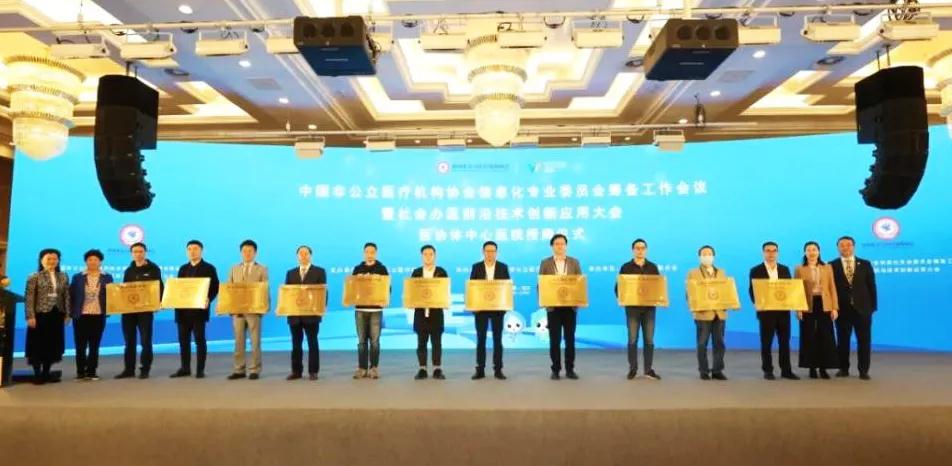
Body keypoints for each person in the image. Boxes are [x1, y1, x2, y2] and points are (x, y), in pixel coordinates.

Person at [747, 242, 799, 380]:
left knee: (785, 342)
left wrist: (792, 302)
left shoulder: (784, 269)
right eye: (768, 251)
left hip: (783, 312)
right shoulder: (755, 270)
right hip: (766, 312)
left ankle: (786, 370)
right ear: (763, 253)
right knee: (766, 342)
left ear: (777, 253)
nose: (771, 253)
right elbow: (752, 290)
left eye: (774, 250)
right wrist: (759, 303)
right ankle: (768, 370)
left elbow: (789, 289)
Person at [830, 236, 877, 380]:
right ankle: (843, 368)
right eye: (842, 245)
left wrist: (872, 307)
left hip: (863, 310)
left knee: (864, 341)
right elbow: (830, 288)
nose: (845, 247)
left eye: (848, 245)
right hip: (842, 310)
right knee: (842, 341)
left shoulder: (865, 264)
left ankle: (863, 370)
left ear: (854, 247)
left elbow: (871, 286)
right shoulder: (831, 265)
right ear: (838, 248)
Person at [170, 240, 220, 379]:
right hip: (182, 311)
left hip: (199, 311)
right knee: (183, 341)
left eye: (195, 249)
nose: (192, 251)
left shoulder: (209, 268)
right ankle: (185, 368)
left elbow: (215, 287)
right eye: (189, 249)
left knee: (199, 340)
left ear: (201, 251)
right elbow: (179, 289)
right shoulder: (183, 268)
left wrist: (209, 298)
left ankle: (200, 369)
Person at [615, 238, 662, 380]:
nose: (640, 250)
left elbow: (658, 287)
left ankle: (648, 369)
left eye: (643, 248)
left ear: (646, 250)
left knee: (649, 340)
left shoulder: (652, 267)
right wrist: (622, 298)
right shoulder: (626, 267)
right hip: (632, 309)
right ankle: (633, 369)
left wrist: (661, 298)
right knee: (632, 340)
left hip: (649, 309)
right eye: (637, 248)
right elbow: (618, 287)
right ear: (633, 250)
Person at [116, 242, 163, 379]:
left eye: (140, 251)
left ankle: (145, 369)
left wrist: (158, 303)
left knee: (145, 341)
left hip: (145, 310)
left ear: (145, 253)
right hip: (128, 311)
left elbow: (158, 287)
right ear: (131, 254)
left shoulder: (154, 269)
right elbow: (124, 290)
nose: (138, 254)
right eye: (135, 252)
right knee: (129, 341)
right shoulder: (128, 270)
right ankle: (129, 369)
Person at [539, 233, 582, 380]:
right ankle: (555, 369)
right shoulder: (545, 263)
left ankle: (570, 369)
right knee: (554, 340)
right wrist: (543, 301)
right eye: (557, 244)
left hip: (570, 307)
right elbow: (541, 284)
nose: (560, 246)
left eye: (562, 243)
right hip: (553, 308)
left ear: (566, 246)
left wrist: (579, 300)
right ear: (552, 246)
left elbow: (579, 283)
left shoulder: (574, 262)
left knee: (570, 339)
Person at [24, 248, 70, 384]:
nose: (52, 261)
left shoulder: (63, 276)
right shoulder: (34, 276)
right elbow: (29, 298)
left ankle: (46, 373)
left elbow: (67, 296)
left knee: (53, 344)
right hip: (40, 315)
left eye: (55, 259)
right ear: (42, 260)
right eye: (48, 259)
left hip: (57, 314)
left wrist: (68, 314)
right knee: (38, 344)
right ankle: (37, 374)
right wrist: (30, 316)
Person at [795, 241, 839, 379]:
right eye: (809, 250)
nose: (812, 252)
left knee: (826, 335)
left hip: (824, 304)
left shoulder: (827, 267)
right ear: (805, 252)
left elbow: (832, 287)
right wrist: (798, 309)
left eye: (814, 249)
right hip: (807, 304)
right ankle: (812, 367)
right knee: (808, 336)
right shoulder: (799, 269)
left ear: (819, 252)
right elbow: (797, 290)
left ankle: (824, 368)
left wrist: (834, 307)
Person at [68, 249, 113, 381]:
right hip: (80, 315)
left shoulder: (107, 277)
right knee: (80, 345)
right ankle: (80, 372)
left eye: (95, 260)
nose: (93, 262)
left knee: (94, 345)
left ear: (100, 262)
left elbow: (112, 295)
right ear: (86, 261)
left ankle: (92, 371)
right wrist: (69, 313)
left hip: (98, 315)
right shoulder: (78, 277)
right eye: (90, 260)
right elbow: (71, 296)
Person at [227, 240, 268, 381]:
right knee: (238, 341)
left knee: (255, 342)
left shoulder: (262, 269)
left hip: (254, 310)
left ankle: (255, 369)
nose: (247, 253)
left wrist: (264, 307)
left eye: (250, 251)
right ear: (241, 252)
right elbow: (229, 290)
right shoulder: (234, 268)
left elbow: (265, 289)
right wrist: (230, 307)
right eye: (244, 251)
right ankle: (239, 369)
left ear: (255, 252)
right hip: (237, 311)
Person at [469, 241, 510, 380]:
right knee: (481, 339)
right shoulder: (476, 267)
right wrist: (474, 306)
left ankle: (498, 369)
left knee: (497, 339)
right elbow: (472, 288)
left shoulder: (503, 267)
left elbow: (507, 287)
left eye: (493, 251)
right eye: (487, 251)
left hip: (498, 309)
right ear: (483, 252)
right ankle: (480, 369)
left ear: (496, 252)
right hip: (481, 309)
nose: (490, 253)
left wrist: (504, 306)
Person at [687, 245, 728, 381]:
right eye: (704, 254)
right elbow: (689, 293)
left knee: (719, 344)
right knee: (702, 343)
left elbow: (726, 291)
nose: (707, 256)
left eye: (709, 254)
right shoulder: (693, 273)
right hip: (703, 313)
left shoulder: (721, 272)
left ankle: (717, 370)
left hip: (719, 313)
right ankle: (703, 371)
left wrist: (728, 303)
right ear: (700, 257)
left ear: (713, 256)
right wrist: (694, 308)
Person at [284, 245, 325, 381]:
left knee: (312, 343)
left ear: (310, 256)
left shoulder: (319, 271)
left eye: (306, 253)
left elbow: (323, 293)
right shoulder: (290, 273)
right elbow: (287, 294)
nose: (303, 256)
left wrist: (320, 308)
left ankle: (313, 371)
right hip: (295, 315)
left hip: (311, 315)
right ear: (297, 256)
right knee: (296, 344)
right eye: (300, 253)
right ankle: (296, 371)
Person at [352, 242, 388, 380]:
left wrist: (384, 297)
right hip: (360, 309)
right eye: (367, 252)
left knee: (375, 341)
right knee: (361, 341)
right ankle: (362, 368)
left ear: (376, 253)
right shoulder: (358, 269)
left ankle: (374, 368)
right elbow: (352, 287)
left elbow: (387, 287)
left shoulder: (382, 269)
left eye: (372, 252)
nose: (370, 254)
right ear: (364, 253)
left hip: (376, 309)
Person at [411, 245, 448, 380]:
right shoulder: (416, 272)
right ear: (422, 256)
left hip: (436, 313)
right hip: (420, 313)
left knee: (436, 342)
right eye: (425, 254)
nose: (428, 257)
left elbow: (444, 290)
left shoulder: (441, 272)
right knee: (421, 342)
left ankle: (437, 369)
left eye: (430, 254)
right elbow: (412, 291)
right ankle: (422, 369)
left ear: (435, 256)